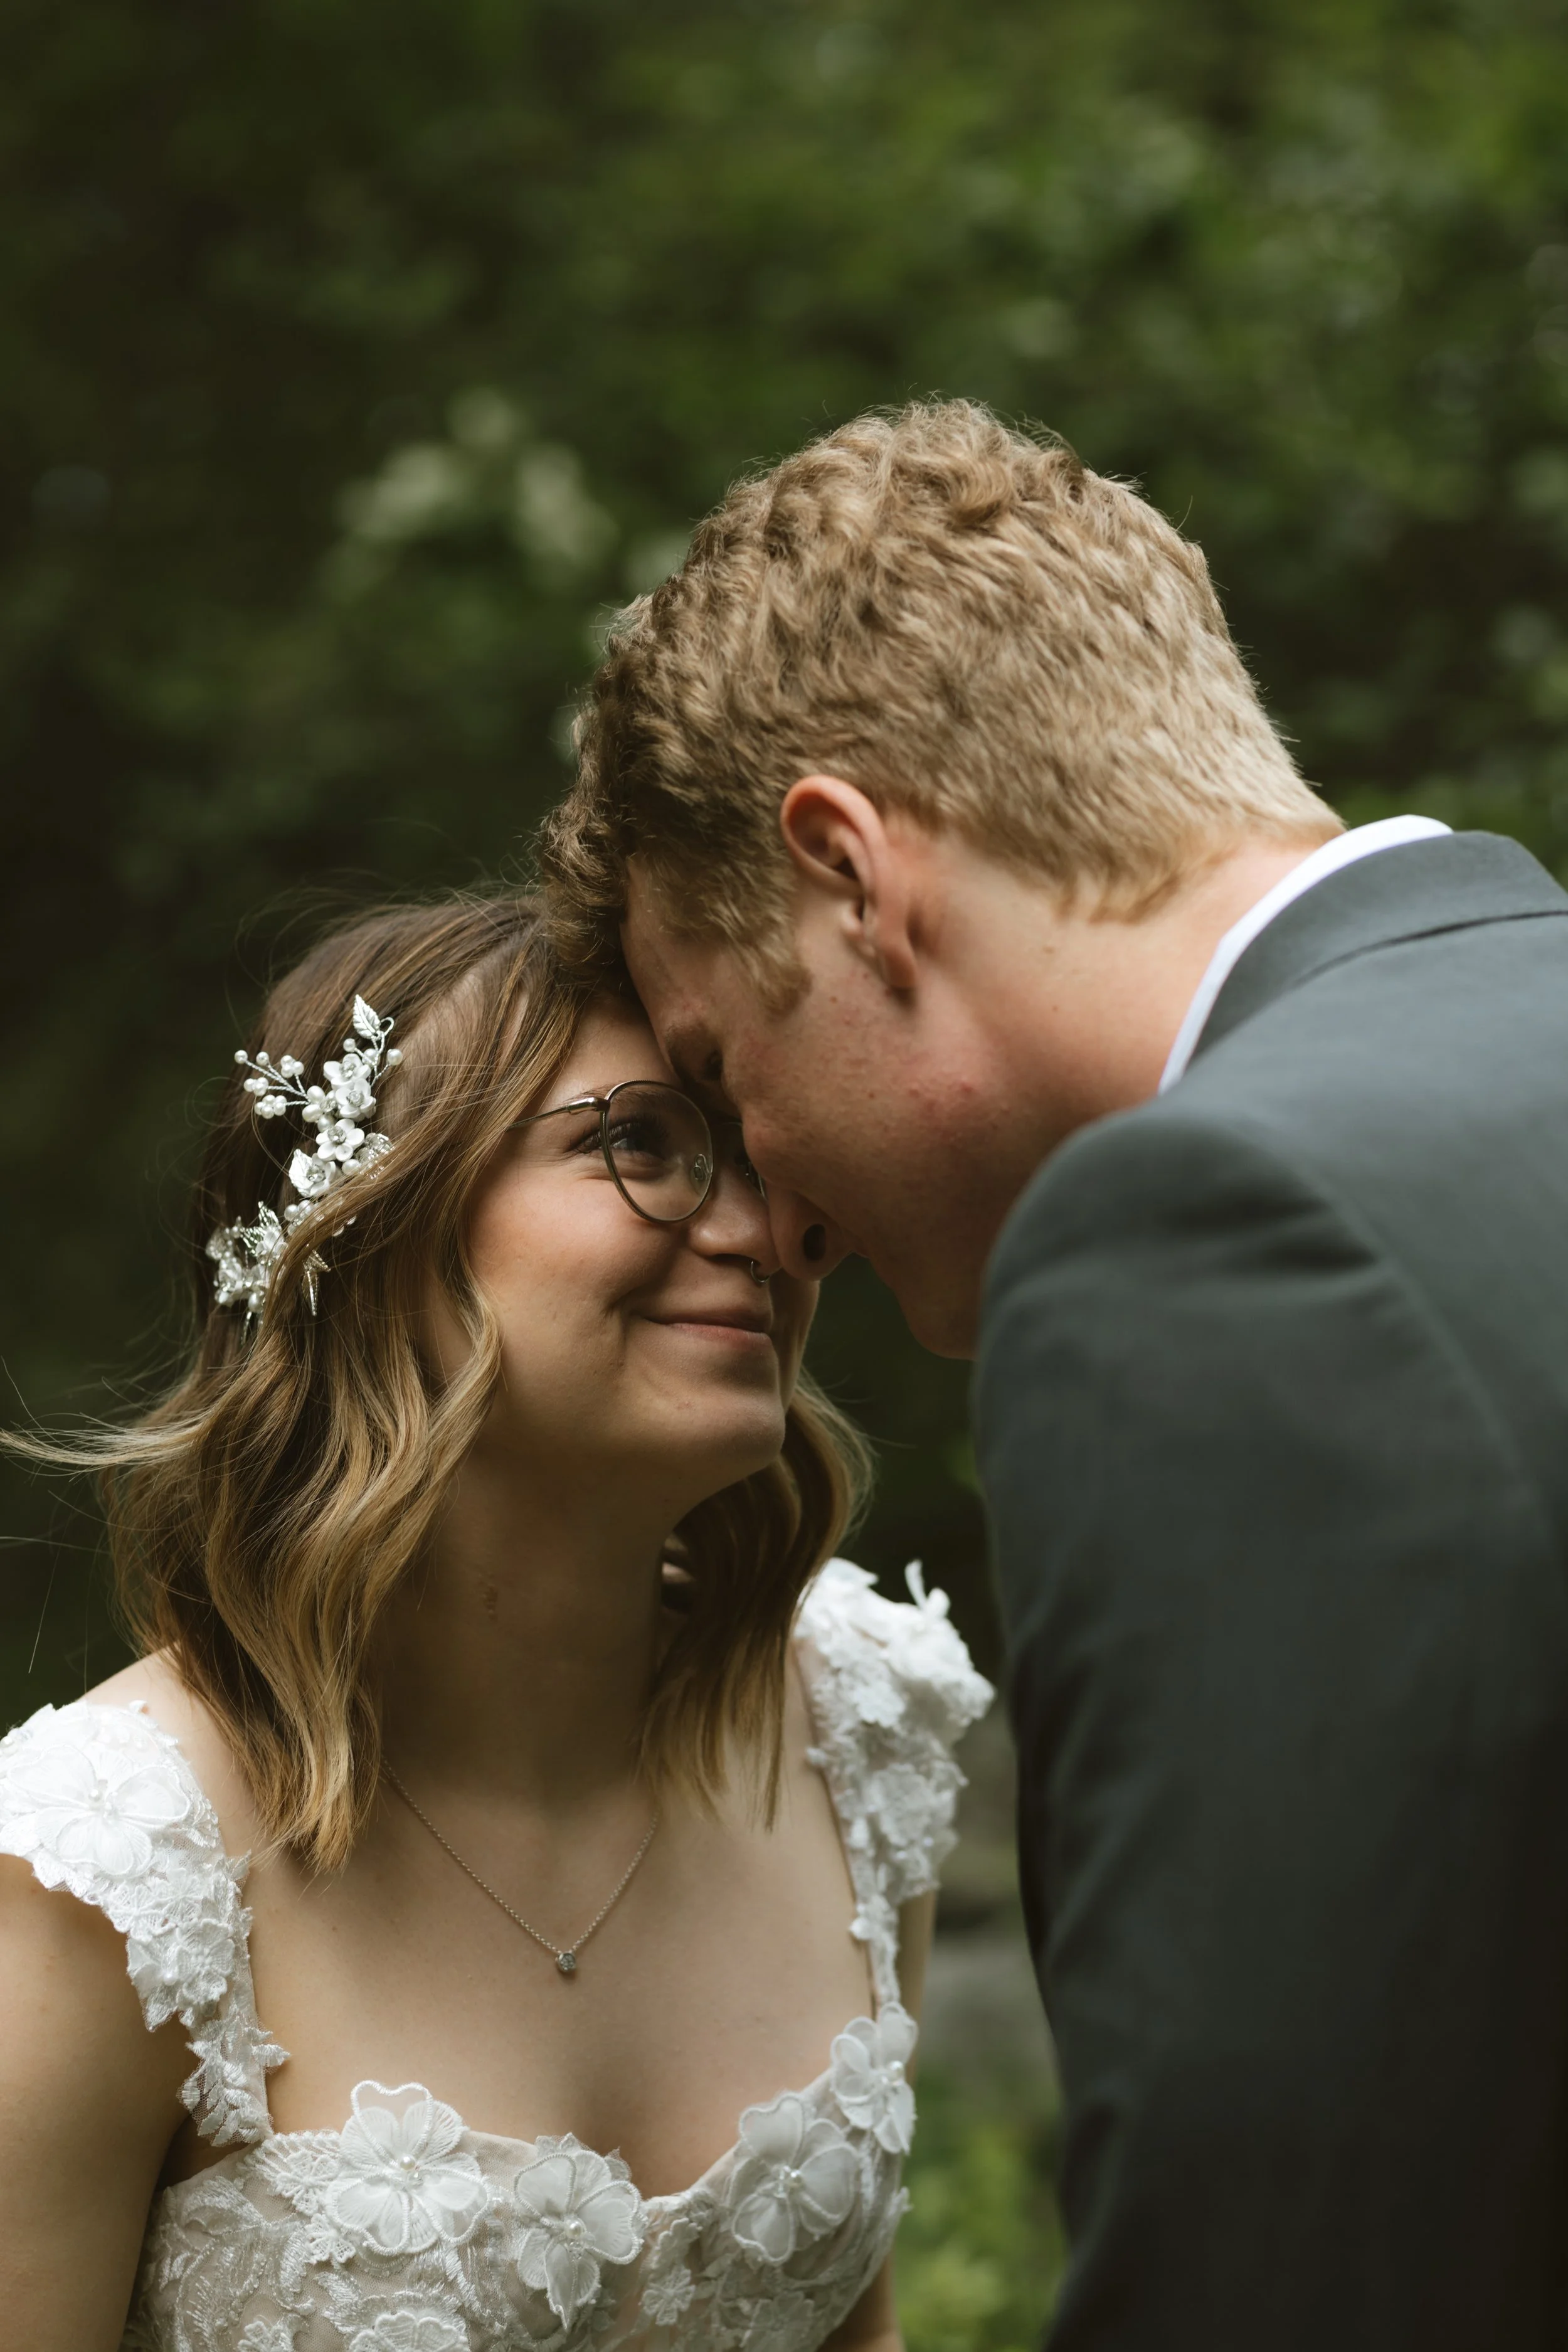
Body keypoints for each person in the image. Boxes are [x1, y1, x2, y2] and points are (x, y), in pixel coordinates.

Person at [538, 399, 1568, 2348]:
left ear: (849, 874)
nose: (777, 1214)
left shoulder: (1217, 1240)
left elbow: (1276, 2253)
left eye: (725, 1070)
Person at [0, 893, 991, 2352]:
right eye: (638, 1144)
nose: (767, 1234)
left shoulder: (860, 1718)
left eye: (759, 1158)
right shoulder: (107, 1876)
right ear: (369, 1235)